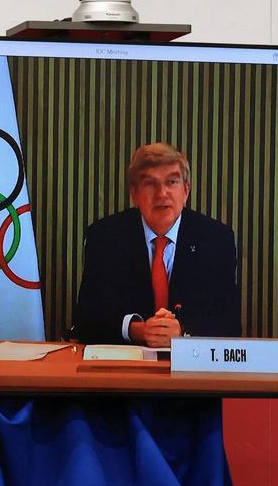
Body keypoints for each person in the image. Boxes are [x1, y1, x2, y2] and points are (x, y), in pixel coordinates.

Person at [71, 143, 241, 346]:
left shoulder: (215, 239)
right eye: (151, 183)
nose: (162, 193)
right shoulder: (105, 237)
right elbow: (86, 321)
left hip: (192, 369)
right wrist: (137, 330)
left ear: (186, 191)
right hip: (125, 368)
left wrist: (183, 331)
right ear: (134, 194)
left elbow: (228, 324)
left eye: (172, 182)